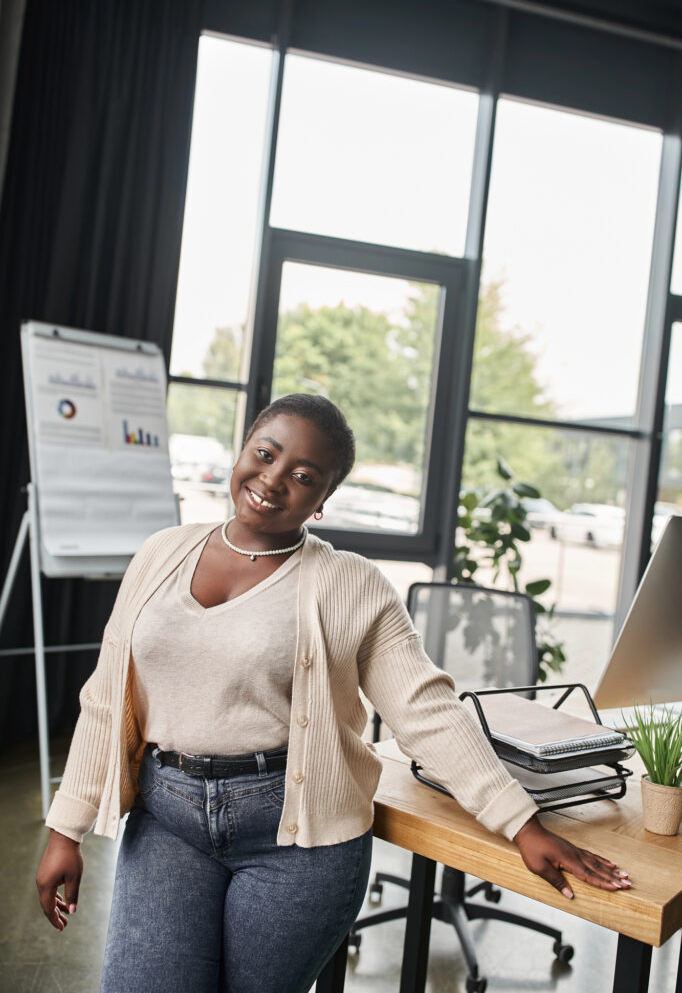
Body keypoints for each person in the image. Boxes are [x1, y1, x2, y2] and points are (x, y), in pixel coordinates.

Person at [36, 393, 630, 993]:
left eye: (303, 476)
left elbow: (427, 713)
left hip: (296, 838)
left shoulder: (353, 585)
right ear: (243, 451)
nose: (272, 480)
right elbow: (107, 698)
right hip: (167, 818)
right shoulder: (161, 553)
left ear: (322, 501)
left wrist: (521, 823)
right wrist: (66, 829)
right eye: (264, 454)